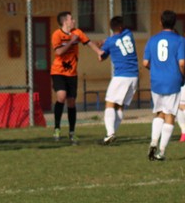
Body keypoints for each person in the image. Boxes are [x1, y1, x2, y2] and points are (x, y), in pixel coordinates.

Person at [51, 11, 103, 144]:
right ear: (65, 22)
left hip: (72, 74)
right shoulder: (57, 35)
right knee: (61, 96)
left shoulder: (78, 32)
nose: (73, 20)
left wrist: (99, 52)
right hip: (58, 72)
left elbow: (89, 43)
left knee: (72, 102)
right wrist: (71, 41)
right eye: (71, 19)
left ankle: (72, 132)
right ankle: (57, 128)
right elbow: (59, 52)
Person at [142, 10, 185, 161]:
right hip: (173, 80)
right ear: (174, 23)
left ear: (160, 22)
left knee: (159, 113)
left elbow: (145, 63)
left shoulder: (152, 40)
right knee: (170, 115)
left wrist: (156, 70)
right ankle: (161, 151)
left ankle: (153, 141)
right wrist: (183, 76)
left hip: (156, 81)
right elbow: (182, 63)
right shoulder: (179, 40)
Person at [95, 16, 139, 145]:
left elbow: (101, 58)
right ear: (121, 26)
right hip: (134, 76)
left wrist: (100, 48)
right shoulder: (129, 34)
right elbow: (116, 39)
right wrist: (105, 42)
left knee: (109, 103)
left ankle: (110, 134)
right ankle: (112, 133)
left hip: (121, 76)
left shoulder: (110, 42)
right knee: (120, 106)